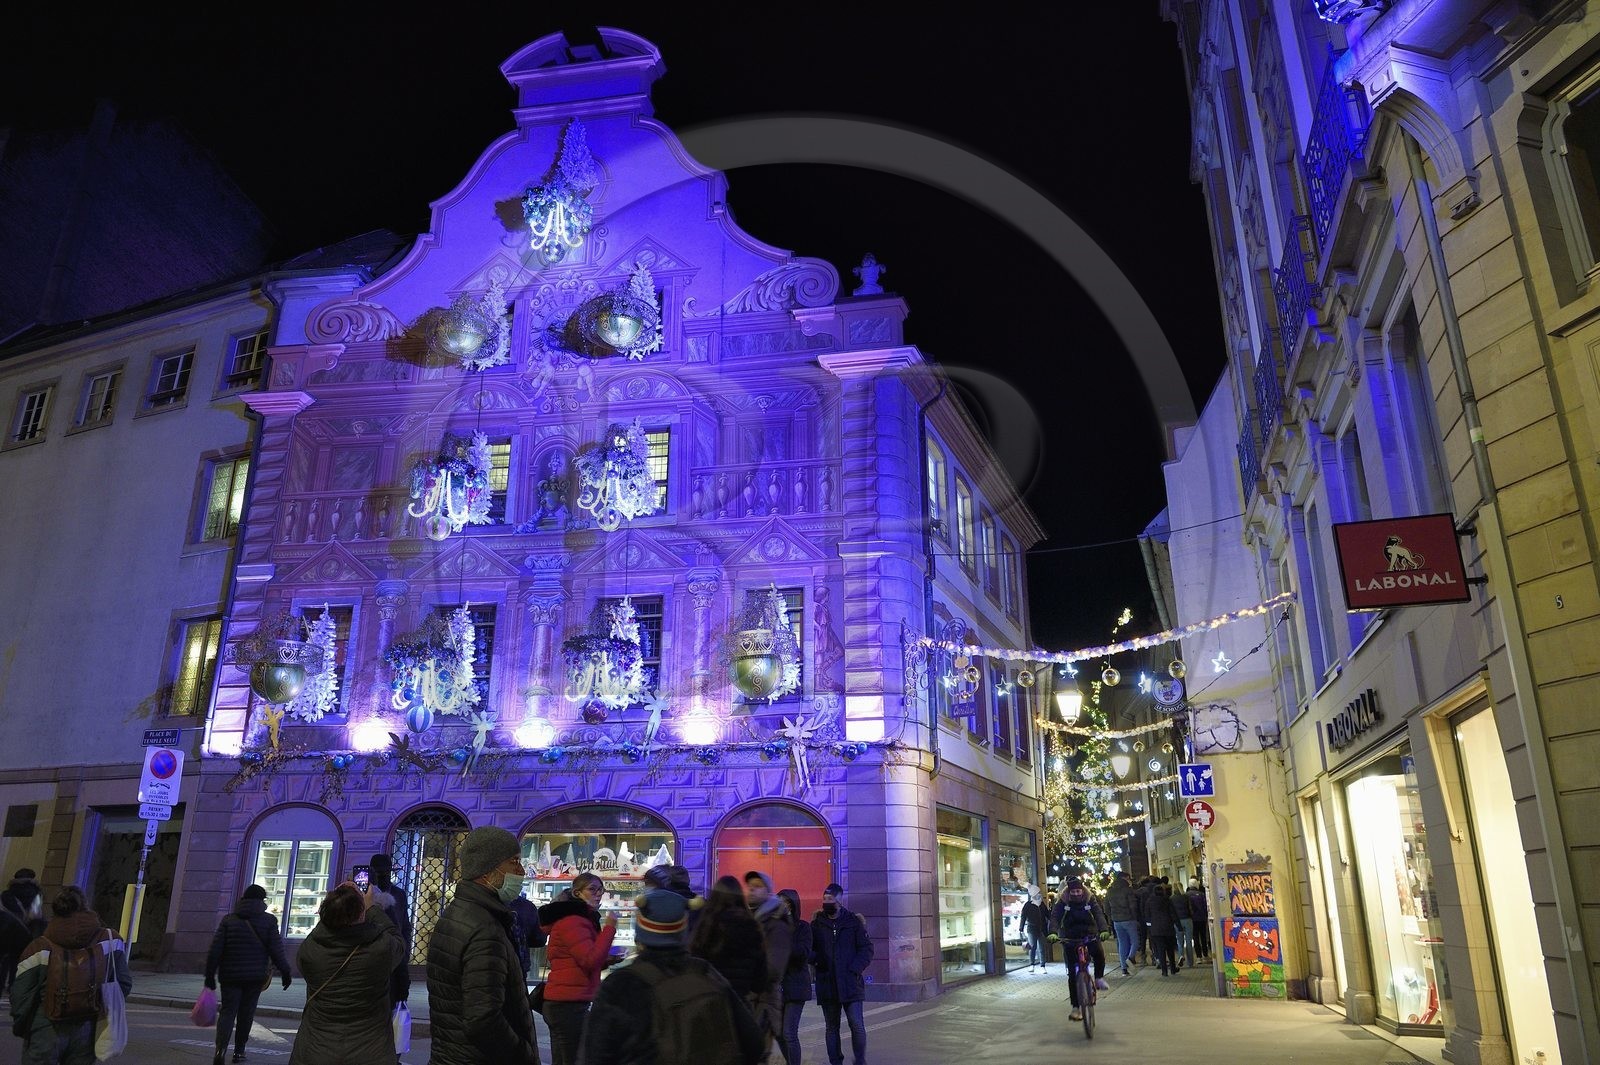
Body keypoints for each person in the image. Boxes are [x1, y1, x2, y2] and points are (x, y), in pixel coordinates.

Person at [577, 886, 762, 1065]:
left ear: (639, 934)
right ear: (683, 932)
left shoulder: (620, 985)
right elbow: (753, 1043)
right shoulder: (706, 972)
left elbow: (595, 1054)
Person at [425, 825, 540, 1065]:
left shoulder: (460, 912)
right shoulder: (484, 928)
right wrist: (523, 1053)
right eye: (514, 862)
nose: (521, 871)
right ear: (489, 871)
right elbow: (483, 1019)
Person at [9, 885, 131, 1065]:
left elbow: (20, 994)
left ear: (55, 910)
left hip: (45, 1026)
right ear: (86, 906)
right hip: (87, 1027)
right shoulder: (110, 940)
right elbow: (124, 984)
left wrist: (25, 1026)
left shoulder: (39, 946)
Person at [289, 882, 408, 1065]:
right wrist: (372, 908)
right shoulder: (380, 950)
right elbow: (398, 939)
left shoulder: (310, 951)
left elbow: (317, 934)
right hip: (370, 1052)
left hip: (316, 1050)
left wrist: (336, 906)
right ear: (361, 914)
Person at [205, 884, 293, 1065]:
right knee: (246, 1014)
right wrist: (285, 971)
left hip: (229, 975)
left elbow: (216, 949)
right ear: (262, 901)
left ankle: (220, 1050)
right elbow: (276, 949)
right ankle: (239, 1052)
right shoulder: (269, 921)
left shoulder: (229, 920)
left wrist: (209, 975)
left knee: (228, 1013)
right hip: (255, 977)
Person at [539, 872, 616, 1065]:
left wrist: (607, 960)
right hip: (567, 1004)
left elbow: (582, 959)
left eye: (601, 890)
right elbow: (589, 960)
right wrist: (610, 928)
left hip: (566, 1000)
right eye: (592, 889)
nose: (598, 894)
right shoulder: (574, 921)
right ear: (577, 893)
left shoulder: (581, 919)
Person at [811, 883, 872, 1065]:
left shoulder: (853, 922)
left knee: (857, 1025)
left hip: (850, 982)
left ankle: (860, 1060)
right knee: (831, 1027)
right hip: (827, 982)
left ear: (839, 900)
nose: (826, 902)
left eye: (830, 899)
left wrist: (855, 969)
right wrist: (818, 960)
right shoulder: (817, 924)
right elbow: (810, 949)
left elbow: (866, 949)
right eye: (824, 899)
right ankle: (835, 1061)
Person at [689, 877, 769, 1005]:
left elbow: (694, 963)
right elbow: (760, 981)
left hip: (708, 1002)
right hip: (739, 1004)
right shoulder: (751, 926)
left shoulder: (705, 925)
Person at [744, 872, 792, 1057]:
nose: (752, 889)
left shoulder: (776, 923)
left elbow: (773, 969)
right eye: (750, 885)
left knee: (758, 1053)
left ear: (768, 891)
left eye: (758, 886)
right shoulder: (750, 918)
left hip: (762, 1001)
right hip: (748, 999)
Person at [1047, 877, 1107, 1022]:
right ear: (1069, 890)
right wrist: (1053, 932)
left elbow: (1098, 914)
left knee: (1098, 954)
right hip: (1070, 936)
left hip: (1089, 933)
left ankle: (1099, 978)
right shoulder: (1063, 900)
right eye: (1073, 891)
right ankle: (1075, 1007)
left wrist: (1103, 929)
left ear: (1082, 889)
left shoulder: (1089, 898)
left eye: (1078, 890)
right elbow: (1055, 916)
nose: (1076, 893)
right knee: (1072, 975)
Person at [367, 854, 413, 1008]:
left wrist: (404, 952)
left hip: (392, 953)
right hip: (376, 954)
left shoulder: (398, 894)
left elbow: (404, 926)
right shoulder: (367, 894)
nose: (383, 875)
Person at [775, 889, 812, 1065]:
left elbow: (803, 953)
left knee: (789, 1032)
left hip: (796, 986)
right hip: (778, 986)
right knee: (779, 1033)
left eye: (781, 901)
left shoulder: (803, 928)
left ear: (790, 904)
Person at [1102, 872, 1139, 977]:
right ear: (1124, 878)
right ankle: (1130, 958)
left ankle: (1124, 969)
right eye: (1128, 878)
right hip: (1129, 919)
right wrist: (1134, 917)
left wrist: (1111, 917)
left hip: (1117, 921)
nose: (1129, 880)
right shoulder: (1128, 890)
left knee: (1122, 944)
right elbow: (1133, 905)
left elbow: (1106, 907)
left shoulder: (1110, 891)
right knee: (1135, 941)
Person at [508, 894, 547, 984]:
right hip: (519, 963)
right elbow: (539, 940)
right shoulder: (526, 906)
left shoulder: (483, 902)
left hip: (487, 964)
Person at [1145, 884, 1179, 976]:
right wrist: (1178, 925)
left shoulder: (1149, 901)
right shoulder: (1167, 900)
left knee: (1161, 950)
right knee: (1170, 950)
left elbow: (1147, 916)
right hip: (1168, 928)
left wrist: (1149, 928)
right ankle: (1173, 968)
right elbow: (1173, 914)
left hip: (1156, 929)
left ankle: (1164, 971)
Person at [1018, 886, 1048, 972]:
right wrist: (1021, 928)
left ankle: (1042, 965)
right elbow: (1023, 916)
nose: (1039, 894)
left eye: (1039, 893)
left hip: (1042, 928)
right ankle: (1032, 965)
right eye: (1037, 893)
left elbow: (1047, 914)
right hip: (1032, 929)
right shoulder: (1028, 905)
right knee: (1032, 947)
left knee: (1042, 948)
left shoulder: (1041, 904)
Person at [1171, 878, 1195, 969]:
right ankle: (1190, 963)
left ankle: (1181, 956)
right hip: (1188, 920)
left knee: (1179, 941)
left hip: (1177, 921)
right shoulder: (1186, 897)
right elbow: (1191, 908)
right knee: (1189, 941)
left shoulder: (1171, 898)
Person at [1187, 883, 1210, 960]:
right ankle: (1205, 955)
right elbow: (1205, 906)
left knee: (1195, 937)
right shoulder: (1202, 894)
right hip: (1202, 918)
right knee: (1203, 937)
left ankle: (1198, 956)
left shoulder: (1187, 895)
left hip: (1193, 919)